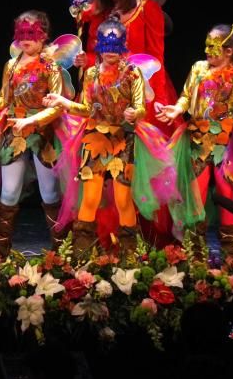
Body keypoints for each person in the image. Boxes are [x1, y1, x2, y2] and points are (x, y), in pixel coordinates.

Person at [44, 18, 175, 259]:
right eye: (106, 49)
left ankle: (128, 256)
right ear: (100, 47)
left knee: (123, 199)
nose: (110, 55)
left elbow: (141, 107)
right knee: (90, 198)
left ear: (123, 47)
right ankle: (82, 257)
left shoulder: (132, 73)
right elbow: (86, 108)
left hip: (122, 138)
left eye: (115, 49)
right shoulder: (92, 73)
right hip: (94, 138)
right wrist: (63, 102)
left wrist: (135, 113)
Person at [157, 24, 233, 257]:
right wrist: (175, 110)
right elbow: (186, 96)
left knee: (226, 193)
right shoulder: (199, 68)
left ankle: (230, 254)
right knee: (196, 193)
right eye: (207, 44)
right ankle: (195, 255)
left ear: (229, 51)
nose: (208, 51)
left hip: (225, 143)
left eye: (214, 46)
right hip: (197, 141)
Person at [0, 11, 65, 261]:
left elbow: (57, 105)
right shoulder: (11, 65)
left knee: (50, 194)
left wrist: (31, 120)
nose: (25, 39)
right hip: (14, 131)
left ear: (43, 36)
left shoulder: (50, 66)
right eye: (21, 34)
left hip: (43, 132)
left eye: (31, 34)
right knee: (9, 192)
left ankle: (63, 253)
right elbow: (5, 100)